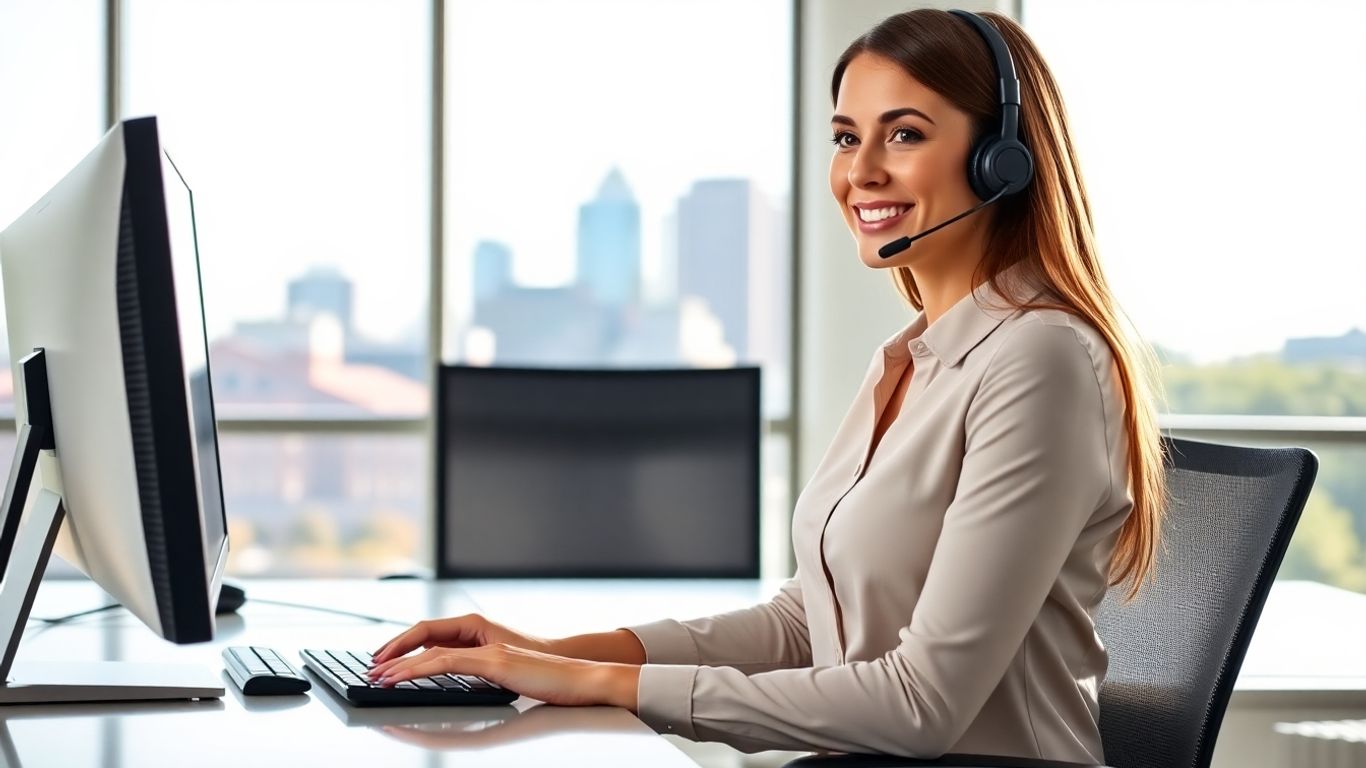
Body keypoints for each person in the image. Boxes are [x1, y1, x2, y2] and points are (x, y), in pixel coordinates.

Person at [366, 9, 1166, 763]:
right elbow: (804, 623)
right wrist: (546, 655)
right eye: (846, 137)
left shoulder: (1041, 360)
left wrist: (604, 684)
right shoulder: (912, 359)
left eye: (905, 134)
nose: (861, 171)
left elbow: (922, 704)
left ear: (1002, 160)